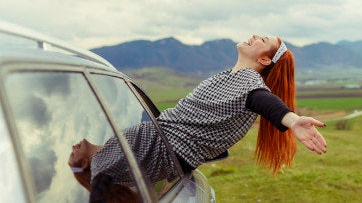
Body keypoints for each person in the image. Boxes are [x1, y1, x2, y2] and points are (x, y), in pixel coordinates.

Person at [68, 35, 327, 199]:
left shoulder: (250, 82)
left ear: (263, 59)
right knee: (102, 171)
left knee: (102, 177)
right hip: (160, 142)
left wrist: (291, 120)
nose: (255, 36)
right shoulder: (230, 77)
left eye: (264, 40)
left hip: (162, 146)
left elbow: (263, 100)